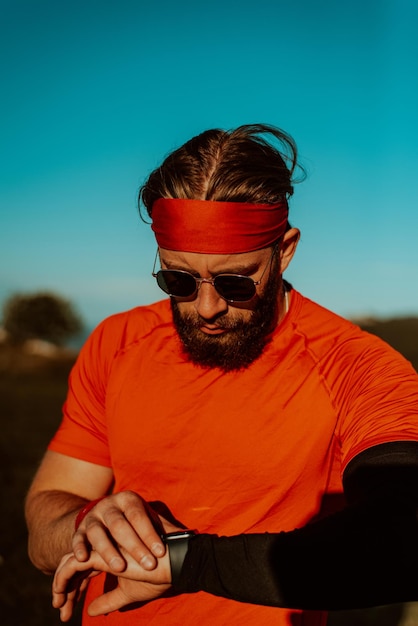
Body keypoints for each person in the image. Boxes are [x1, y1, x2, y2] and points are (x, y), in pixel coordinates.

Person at [25, 123, 418, 626]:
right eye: (179, 280)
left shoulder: (358, 366)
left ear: (286, 250)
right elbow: (44, 529)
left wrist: (191, 562)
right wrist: (85, 523)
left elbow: (403, 539)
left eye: (235, 282)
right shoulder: (118, 341)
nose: (206, 307)